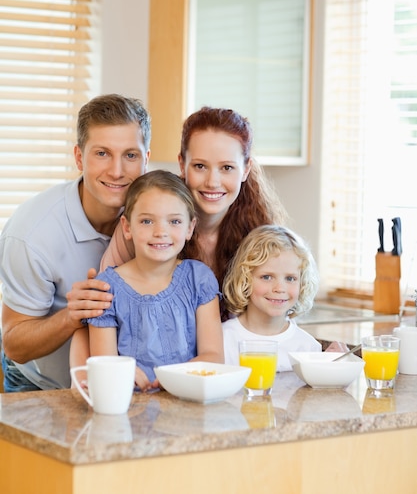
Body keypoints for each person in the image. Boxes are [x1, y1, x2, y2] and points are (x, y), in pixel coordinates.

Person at [0, 94, 151, 391]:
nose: (117, 171)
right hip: (42, 383)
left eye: (130, 155)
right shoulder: (31, 235)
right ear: (79, 157)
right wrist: (72, 316)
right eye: (102, 153)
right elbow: (14, 344)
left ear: (146, 159)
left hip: (127, 385)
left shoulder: (159, 218)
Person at [101, 107, 287, 317]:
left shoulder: (260, 234)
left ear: (245, 169)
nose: (212, 182)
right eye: (200, 166)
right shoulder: (145, 222)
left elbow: (278, 315)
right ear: (182, 164)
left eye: (226, 168)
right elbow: (101, 306)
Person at [83, 170, 224, 391]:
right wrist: (122, 373)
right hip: (130, 408)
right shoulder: (106, 289)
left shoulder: (199, 279)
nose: (160, 232)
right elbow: (103, 366)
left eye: (174, 221)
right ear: (127, 227)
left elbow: (214, 356)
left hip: (187, 401)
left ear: (190, 228)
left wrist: (173, 378)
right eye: (147, 221)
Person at [221, 224, 322, 372]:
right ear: (244, 279)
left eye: (290, 278)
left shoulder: (308, 347)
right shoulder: (222, 339)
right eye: (267, 277)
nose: (279, 288)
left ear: (303, 283)